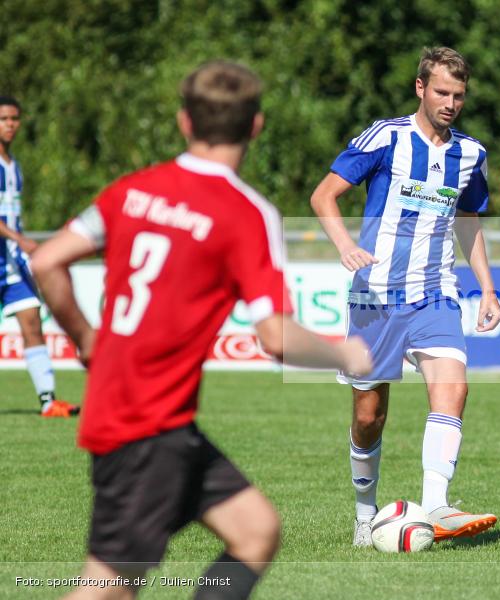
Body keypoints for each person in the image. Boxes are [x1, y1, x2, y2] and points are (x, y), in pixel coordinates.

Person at [31, 61, 371, 600]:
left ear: (184, 122)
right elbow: (276, 336)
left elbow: (47, 260)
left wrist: (86, 338)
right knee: (109, 587)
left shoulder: (132, 191)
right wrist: (344, 353)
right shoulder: (246, 212)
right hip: (147, 425)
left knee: (255, 530)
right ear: (256, 126)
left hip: (148, 415)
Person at [311, 46, 500, 547]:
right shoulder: (386, 137)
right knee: (368, 416)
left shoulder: (471, 154)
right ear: (420, 88)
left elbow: (468, 220)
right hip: (375, 296)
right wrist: (346, 246)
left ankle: (436, 504)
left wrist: (486, 287)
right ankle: (364, 513)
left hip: (435, 293)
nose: (450, 103)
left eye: (459, 95)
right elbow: (323, 195)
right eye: (441, 92)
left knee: (453, 386)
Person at [0, 95, 78, 417]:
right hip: (11, 248)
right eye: (4, 119)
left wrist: (19, 242)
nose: (11, 125)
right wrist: (21, 239)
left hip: (11, 262)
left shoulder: (13, 164)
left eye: (15, 119)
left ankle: (48, 400)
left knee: (32, 321)